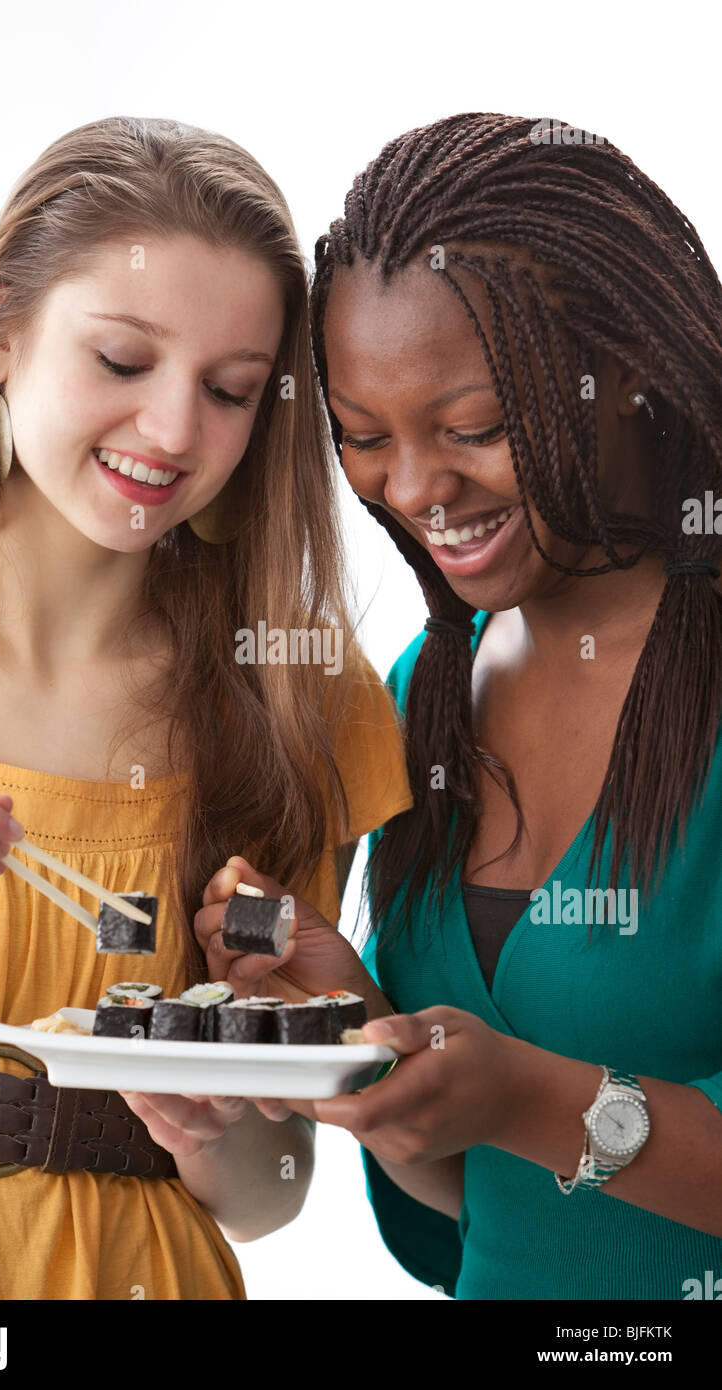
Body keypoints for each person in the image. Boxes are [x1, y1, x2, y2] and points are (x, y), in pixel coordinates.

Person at [0, 116, 411, 1300]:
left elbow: (269, 1192)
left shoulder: (299, 693)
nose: (172, 434)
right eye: (122, 362)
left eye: (229, 391)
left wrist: (206, 1123)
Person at [197, 114, 722, 1299]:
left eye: (474, 427)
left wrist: (536, 1094)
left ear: (629, 367)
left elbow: (540, 1121)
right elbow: (465, 1195)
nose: (419, 489)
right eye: (365, 437)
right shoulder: (422, 694)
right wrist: (360, 1034)